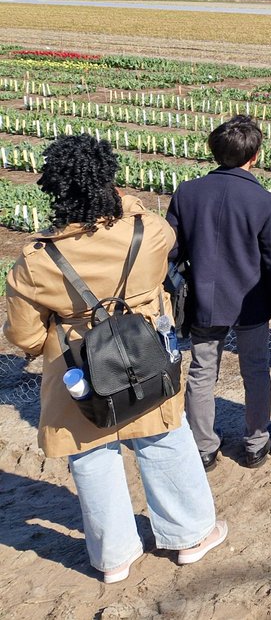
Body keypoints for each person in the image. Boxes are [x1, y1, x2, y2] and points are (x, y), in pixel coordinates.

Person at [5, 136, 226, 583]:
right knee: (164, 437)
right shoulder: (147, 233)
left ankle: (113, 558)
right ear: (110, 184)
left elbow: (26, 338)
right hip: (147, 358)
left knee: (90, 455)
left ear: (54, 192)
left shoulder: (35, 261)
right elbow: (160, 243)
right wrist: (122, 200)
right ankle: (189, 537)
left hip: (79, 374)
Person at [166, 115, 271, 470]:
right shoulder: (265, 202)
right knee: (255, 370)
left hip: (203, 301)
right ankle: (256, 442)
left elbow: (171, 253)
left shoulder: (188, 193)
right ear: (255, 156)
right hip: (250, 301)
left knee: (202, 371)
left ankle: (203, 447)